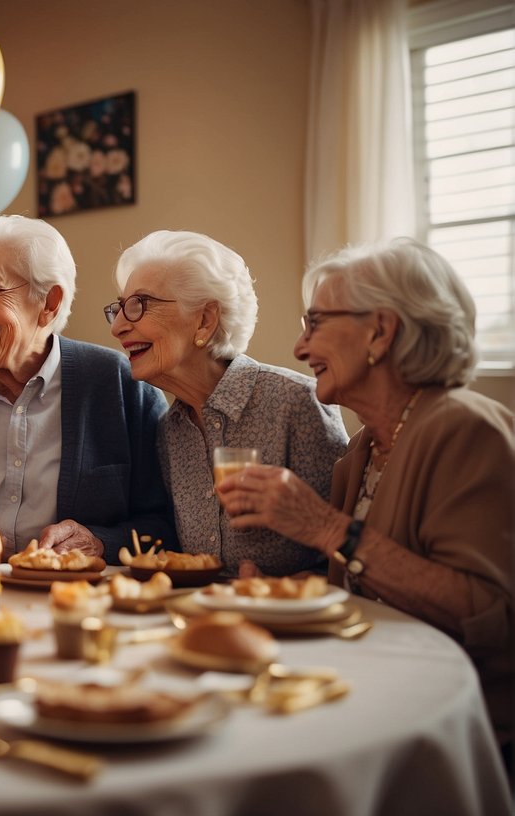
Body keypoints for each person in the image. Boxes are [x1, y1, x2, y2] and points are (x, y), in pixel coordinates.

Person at [219, 238, 513, 751]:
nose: (299, 348)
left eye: (316, 324)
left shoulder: (466, 429)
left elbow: (488, 613)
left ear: (380, 331)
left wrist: (325, 527)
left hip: (457, 726)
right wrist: (272, 595)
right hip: (375, 698)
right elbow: (365, 594)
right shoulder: (362, 451)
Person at [0, 215, 174, 562]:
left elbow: (168, 527)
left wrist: (99, 542)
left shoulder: (123, 386)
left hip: (88, 608)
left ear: (49, 303)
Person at [110, 230, 348, 576]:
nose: (117, 327)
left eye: (138, 306)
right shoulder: (169, 430)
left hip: (293, 622)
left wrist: (278, 592)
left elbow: (348, 555)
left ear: (205, 319)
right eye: (118, 309)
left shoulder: (296, 403)